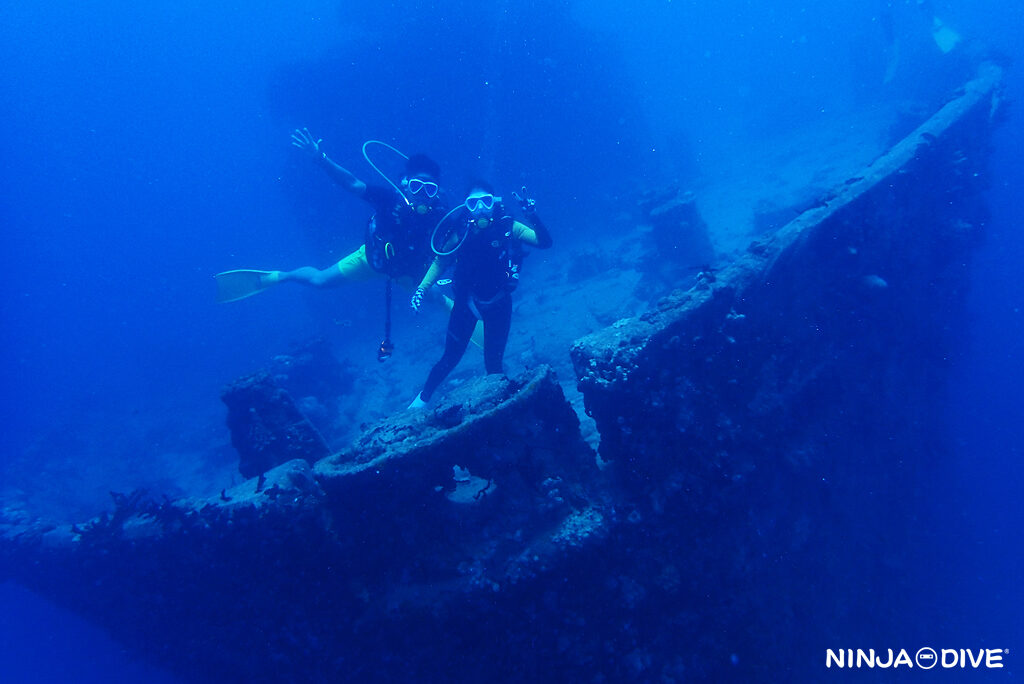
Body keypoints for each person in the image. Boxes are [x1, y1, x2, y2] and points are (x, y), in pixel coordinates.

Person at [215, 129, 448, 302]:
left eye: (430, 189)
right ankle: (279, 277)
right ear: (405, 184)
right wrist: (320, 158)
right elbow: (353, 184)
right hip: (371, 260)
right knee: (319, 281)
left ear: (437, 191)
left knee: (437, 298)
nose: (423, 195)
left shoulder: (442, 214)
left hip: (410, 272)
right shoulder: (389, 198)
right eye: (417, 186)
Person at [409, 182, 552, 408]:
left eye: (486, 201)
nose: (480, 208)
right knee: (449, 358)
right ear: (466, 207)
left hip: (499, 303)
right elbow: (441, 260)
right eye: (473, 203)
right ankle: (421, 400)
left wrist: (532, 215)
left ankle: (501, 410)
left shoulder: (508, 226)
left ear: (495, 202)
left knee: (493, 363)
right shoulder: (461, 232)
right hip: (467, 303)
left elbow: (544, 243)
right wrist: (422, 288)